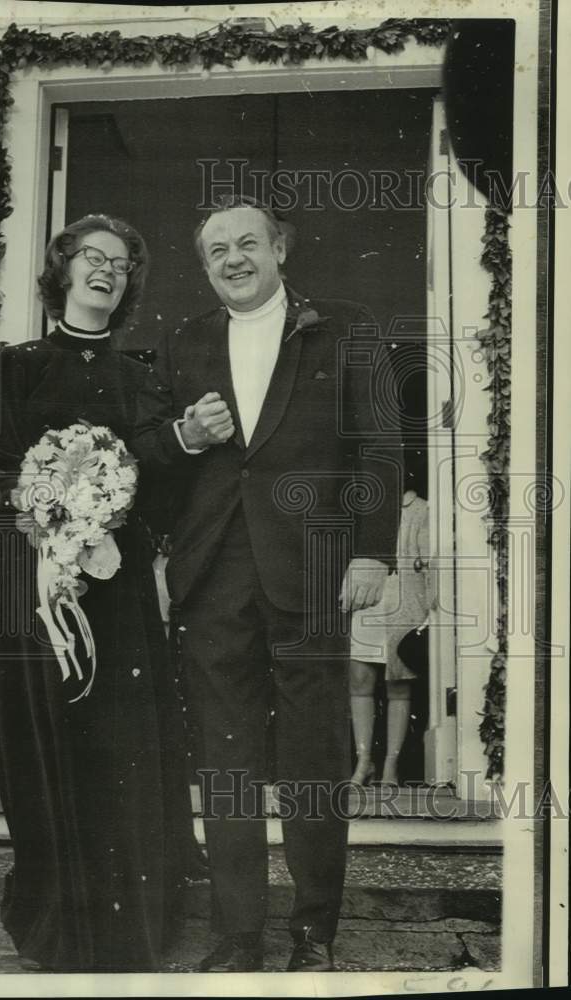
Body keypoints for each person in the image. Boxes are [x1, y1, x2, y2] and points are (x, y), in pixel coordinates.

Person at [132, 196, 403, 972]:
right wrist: (185, 436)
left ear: (280, 249)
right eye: (216, 250)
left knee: (314, 762)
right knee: (226, 765)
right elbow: (151, 448)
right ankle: (236, 934)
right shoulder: (184, 341)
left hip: (314, 571)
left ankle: (314, 933)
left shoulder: (343, 324)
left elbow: (380, 447)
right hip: (214, 576)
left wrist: (371, 551)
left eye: (247, 243)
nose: (232, 259)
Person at [0, 214, 199, 972]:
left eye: (121, 262)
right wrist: (32, 503)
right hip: (24, 586)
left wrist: (120, 496)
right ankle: (56, 913)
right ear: (62, 272)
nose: (107, 270)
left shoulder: (142, 375)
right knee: (41, 738)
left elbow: (165, 492)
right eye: (92, 257)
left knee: (115, 743)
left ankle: (128, 922)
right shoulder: (16, 369)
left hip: (113, 592)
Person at [349, 490, 431, 786]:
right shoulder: (362, 503)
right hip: (366, 600)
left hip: (405, 603)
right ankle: (363, 762)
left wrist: (430, 606)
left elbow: (430, 564)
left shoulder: (422, 510)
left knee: (398, 684)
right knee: (359, 681)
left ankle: (391, 766)